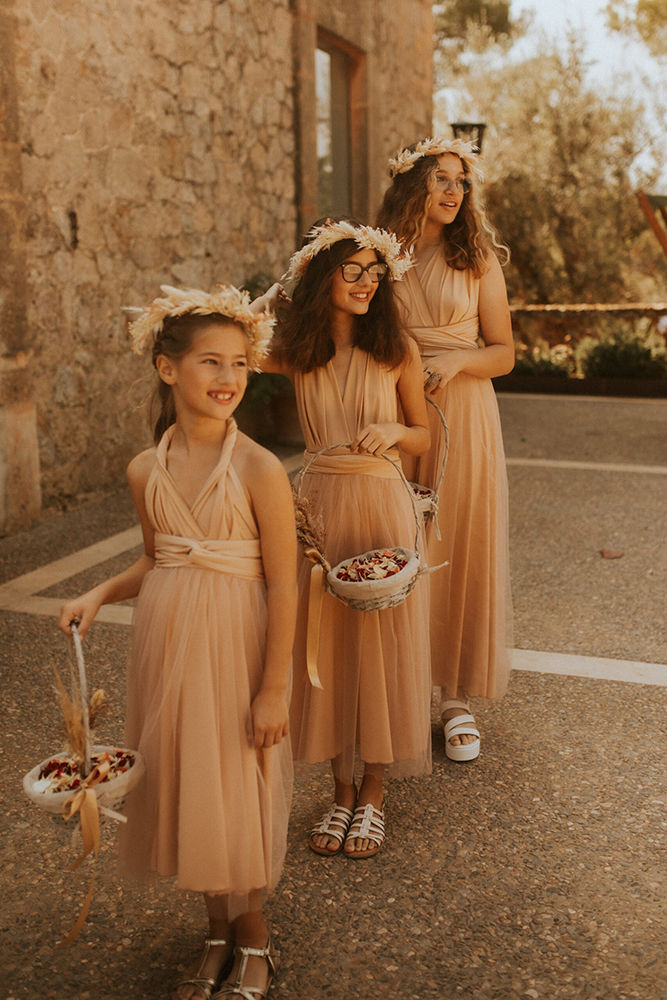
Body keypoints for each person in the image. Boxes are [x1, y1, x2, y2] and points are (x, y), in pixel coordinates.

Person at [57, 285, 297, 1000]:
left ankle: (253, 938)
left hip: (235, 641)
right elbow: (160, 556)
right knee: (194, 779)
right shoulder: (144, 469)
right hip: (168, 641)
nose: (228, 379)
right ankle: (215, 930)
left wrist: (274, 686)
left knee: (235, 781)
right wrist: (99, 593)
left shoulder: (256, 467)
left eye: (239, 364)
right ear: (168, 369)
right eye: (210, 363)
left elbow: (285, 585)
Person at [254, 218, 432, 859]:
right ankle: (337, 792)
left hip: (382, 498)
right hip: (319, 503)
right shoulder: (297, 351)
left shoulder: (396, 348)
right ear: (322, 275)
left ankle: (375, 794)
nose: (364, 283)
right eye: (350, 270)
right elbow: (242, 337)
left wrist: (395, 433)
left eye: (374, 272)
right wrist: (287, 279)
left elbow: (425, 434)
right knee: (325, 646)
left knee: (380, 642)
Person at [376, 137, 514, 762]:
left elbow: (505, 353)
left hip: (462, 410)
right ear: (413, 188)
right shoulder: (382, 256)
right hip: (394, 408)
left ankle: (454, 695)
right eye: (441, 180)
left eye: (461, 180)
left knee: (456, 539)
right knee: (399, 535)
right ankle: (399, 686)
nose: (455, 191)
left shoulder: (478, 259)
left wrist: (459, 359)